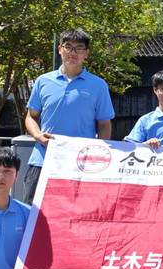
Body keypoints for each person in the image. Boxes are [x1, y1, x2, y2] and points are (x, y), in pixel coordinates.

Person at [23, 28, 114, 204]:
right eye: (68, 47)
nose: (73, 52)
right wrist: (38, 136)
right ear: (60, 49)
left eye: (79, 48)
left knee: (79, 215)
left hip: (80, 164)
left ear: (86, 53)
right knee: (33, 213)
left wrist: (97, 157)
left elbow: (104, 124)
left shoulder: (98, 85)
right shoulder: (43, 81)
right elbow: (31, 116)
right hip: (43, 159)